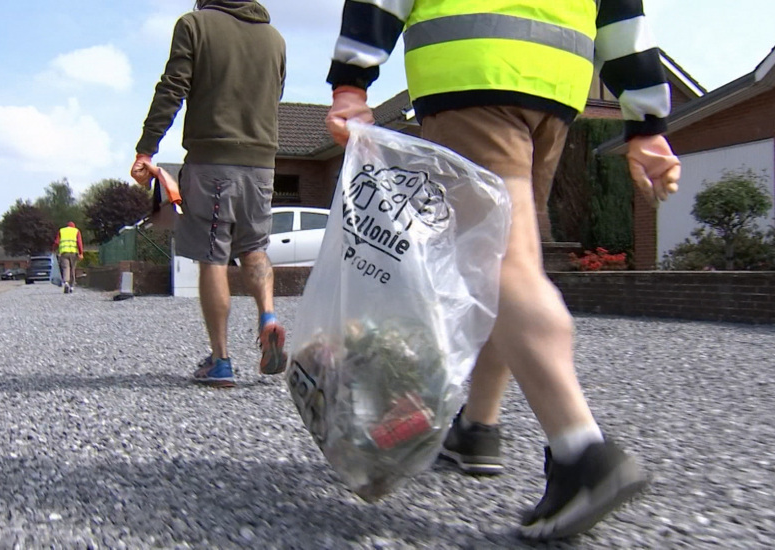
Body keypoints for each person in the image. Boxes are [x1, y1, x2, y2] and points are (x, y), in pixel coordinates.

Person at [325, 0, 680, 541]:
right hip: (556, 86)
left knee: (499, 262)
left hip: (471, 71)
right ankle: (477, 429)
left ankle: (582, 451)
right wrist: (647, 119)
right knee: (508, 263)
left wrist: (352, 79)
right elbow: (623, 16)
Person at [130, 0, 287, 387]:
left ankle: (221, 361)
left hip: (212, 160)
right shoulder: (275, 38)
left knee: (212, 256)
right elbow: (275, 94)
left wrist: (146, 148)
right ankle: (267, 315)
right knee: (254, 247)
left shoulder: (194, 25)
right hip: (262, 162)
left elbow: (173, 88)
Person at [53, 221, 83, 294]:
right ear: (73, 226)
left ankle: (66, 282)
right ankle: (72, 286)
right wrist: (81, 253)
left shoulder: (61, 231)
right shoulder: (76, 231)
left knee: (66, 268)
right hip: (73, 253)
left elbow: (57, 242)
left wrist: (53, 249)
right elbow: (79, 242)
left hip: (64, 253)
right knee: (72, 269)